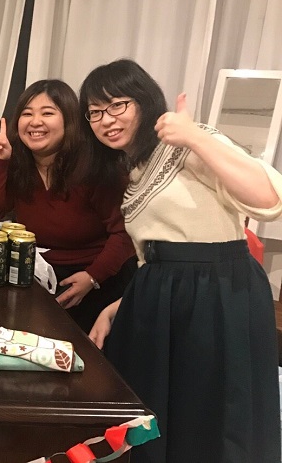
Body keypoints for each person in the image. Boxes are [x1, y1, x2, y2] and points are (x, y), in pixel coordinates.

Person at [81, 59, 282, 462]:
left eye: (117, 105)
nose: (106, 120)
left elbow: (269, 199)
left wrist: (195, 137)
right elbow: (155, 260)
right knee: (159, 411)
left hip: (218, 294)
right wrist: (115, 308)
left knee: (211, 412)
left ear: (143, 101)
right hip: (162, 299)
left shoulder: (188, 143)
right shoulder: (133, 170)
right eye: (95, 112)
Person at [0, 79, 135, 332]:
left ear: (69, 120)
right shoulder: (19, 162)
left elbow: (125, 233)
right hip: (37, 272)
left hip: (96, 278)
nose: (35, 122)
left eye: (47, 113)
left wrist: (92, 277)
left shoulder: (96, 167)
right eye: (27, 114)